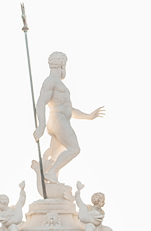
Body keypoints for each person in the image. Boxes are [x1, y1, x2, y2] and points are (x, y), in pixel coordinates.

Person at [32, 52, 104, 184]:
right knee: (74, 149)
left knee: (56, 156)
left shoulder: (58, 84)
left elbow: (71, 110)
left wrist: (89, 116)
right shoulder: (51, 81)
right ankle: (52, 172)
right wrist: (41, 125)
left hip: (59, 121)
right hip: (58, 120)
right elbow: (41, 102)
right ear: (62, 65)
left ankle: (52, 183)